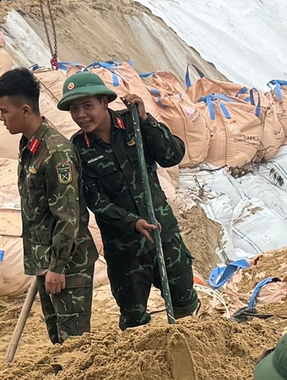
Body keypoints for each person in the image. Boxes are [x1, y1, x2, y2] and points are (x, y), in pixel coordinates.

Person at [60, 68, 199, 329]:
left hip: (162, 233)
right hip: (124, 248)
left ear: (104, 102)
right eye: (74, 109)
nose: (81, 115)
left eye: (87, 106)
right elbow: (95, 201)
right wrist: (132, 222)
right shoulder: (77, 149)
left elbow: (173, 155)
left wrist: (147, 121)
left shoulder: (134, 123)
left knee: (184, 305)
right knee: (134, 320)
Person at [0, 66, 96, 345]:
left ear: (25, 110)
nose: (1, 118)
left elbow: (68, 216)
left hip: (67, 265)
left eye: (4, 111)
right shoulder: (31, 146)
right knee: (58, 340)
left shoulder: (56, 153)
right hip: (46, 262)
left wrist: (58, 267)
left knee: (73, 345)